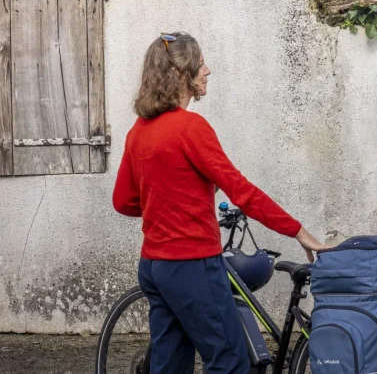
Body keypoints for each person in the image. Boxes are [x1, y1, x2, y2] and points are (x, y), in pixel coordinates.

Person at [112, 31, 328, 374]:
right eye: (201, 64)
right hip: (192, 264)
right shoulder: (190, 127)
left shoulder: (139, 130)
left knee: (169, 364)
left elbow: (123, 201)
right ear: (182, 74)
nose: (208, 70)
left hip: (154, 266)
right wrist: (300, 232)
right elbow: (242, 191)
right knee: (229, 360)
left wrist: (171, 200)